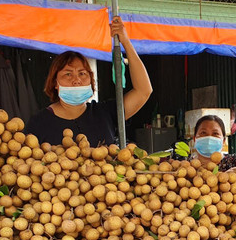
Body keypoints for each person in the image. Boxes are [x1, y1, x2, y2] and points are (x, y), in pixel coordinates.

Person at [26, 16, 152, 146]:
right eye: (68, 74)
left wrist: (125, 42)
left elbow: (143, 91)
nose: (76, 80)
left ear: (91, 81)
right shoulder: (38, 123)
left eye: (82, 73)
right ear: (55, 83)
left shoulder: (105, 113)